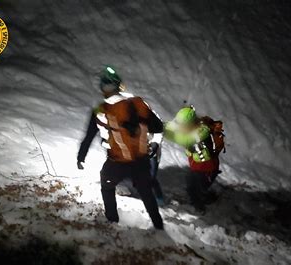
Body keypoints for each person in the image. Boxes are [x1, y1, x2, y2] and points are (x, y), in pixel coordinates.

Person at [77, 66, 164, 229]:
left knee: (107, 185)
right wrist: (150, 140)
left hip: (117, 162)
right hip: (141, 160)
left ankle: (112, 222)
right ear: (119, 86)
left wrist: (81, 157)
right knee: (146, 192)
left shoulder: (102, 110)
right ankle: (158, 226)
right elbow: (158, 127)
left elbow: (89, 136)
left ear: (103, 88)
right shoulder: (138, 103)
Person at [164, 106, 225, 213]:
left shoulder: (200, 133)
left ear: (189, 124)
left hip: (207, 169)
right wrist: (162, 125)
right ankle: (202, 197)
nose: (180, 127)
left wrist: (164, 131)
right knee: (193, 185)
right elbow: (175, 126)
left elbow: (183, 139)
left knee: (196, 188)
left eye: (182, 125)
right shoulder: (192, 127)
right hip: (197, 167)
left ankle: (200, 208)